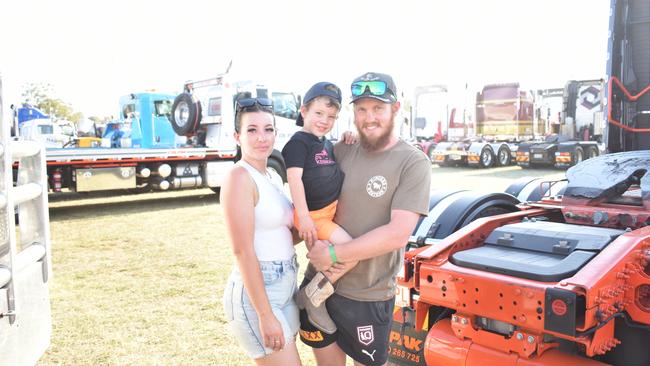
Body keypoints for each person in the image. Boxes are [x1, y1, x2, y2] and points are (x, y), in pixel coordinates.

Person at [299, 72, 432, 366]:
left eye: (377, 108)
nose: (368, 117)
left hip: (367, 295)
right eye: (361, 109)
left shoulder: (412, 161)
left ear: (395, 109)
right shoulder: (338, 150)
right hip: (320, 284)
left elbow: (397, 234)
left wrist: (332, 253)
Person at [221, 97, 302, 365]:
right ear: (237, 136)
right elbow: (243, 251)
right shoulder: (238, 178)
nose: (261, 137)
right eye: (252, 130)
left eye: (268, 129)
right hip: (259, 294)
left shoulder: (272, 177)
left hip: (286, 285)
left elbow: (284, 234)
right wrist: (265, 315)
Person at [281, 82, 355, 335]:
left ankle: (310, 294)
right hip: (312, 217)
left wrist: (347, 137)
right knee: (351, 252)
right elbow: (294, 179)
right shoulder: (297, 143)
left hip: (326, 215)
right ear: (304, 111)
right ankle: (313, 298)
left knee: (346, 253)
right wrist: (303, 217)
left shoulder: (325, 144)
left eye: (331, 117)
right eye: (319, 113)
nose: (325, 121)